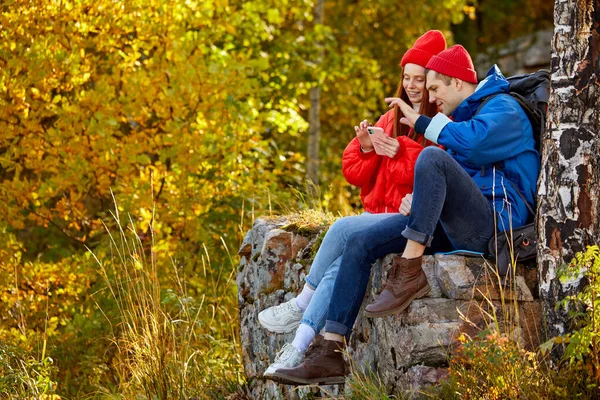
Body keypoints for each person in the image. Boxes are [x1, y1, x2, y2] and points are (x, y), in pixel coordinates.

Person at [271, 44, 540, 385]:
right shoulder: (464, 117)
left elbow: (473, 146)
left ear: (458, 82)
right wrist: (423, 198)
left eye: (433, 88)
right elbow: (459, 175)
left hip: (496, 227)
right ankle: (331, 352)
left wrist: (423, 123)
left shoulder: (505, 108)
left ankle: (409, 270)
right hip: (459, 222)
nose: (429, 96)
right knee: (358, 241)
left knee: (432, 158)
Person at [257, 30, 447, 381]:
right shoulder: (389, 117)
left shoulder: (439, 119)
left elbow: (436, 169)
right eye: (407, 77)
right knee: (339, 264)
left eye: (420, 79)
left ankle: (301, 307)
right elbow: (354, 173)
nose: (413, 85)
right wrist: (365, 147)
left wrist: (400, 150)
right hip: (378, 214)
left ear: (435, 81)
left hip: (406, 218)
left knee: (342, 228)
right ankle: (298, 346)